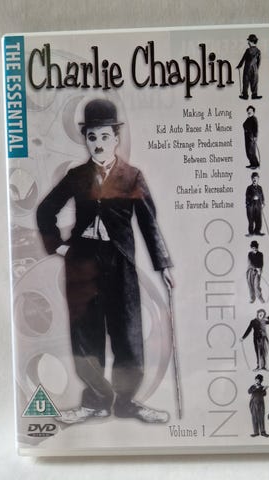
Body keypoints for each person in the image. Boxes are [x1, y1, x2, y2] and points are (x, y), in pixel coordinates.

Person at [36, 98, 174, 424]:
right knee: (86, 334)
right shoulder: (77, 176)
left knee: (128, 335)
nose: (98, 143)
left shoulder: (132, 177)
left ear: (116, 138)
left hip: (120, 265)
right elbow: (45, 211)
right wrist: (59, 247)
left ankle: (127, 402)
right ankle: (95, 402)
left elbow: (149, 223)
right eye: (91, 137)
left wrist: (163, 264)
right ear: (86, 140)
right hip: (82, 266)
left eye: (104, 136)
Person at [236, 33, 262, 100]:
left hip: (247, 68)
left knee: (246, 82)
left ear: (252, 42)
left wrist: (239, 65)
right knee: (254, 82)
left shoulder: (248, 50)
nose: (248, 42)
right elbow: (259, 62)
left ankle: (245, 95)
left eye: (249, 41)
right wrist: (256, 69)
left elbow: (243, 59)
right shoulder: (258, 51)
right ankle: (254, 95)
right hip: (255, 69)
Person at [245, 172, 265, 236]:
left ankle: (257, 231)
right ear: (251, 179)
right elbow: (247, 197)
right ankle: (251, 232)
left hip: (258, 205)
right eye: (253, 178)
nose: (255, 179)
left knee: (258, 219)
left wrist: (262, 203)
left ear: (258, 179)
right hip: (251, 206)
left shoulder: (260, 188)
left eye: (256, 178)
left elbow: (262, 196)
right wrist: (253, 197)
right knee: (251, 219)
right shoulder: (249, 188)